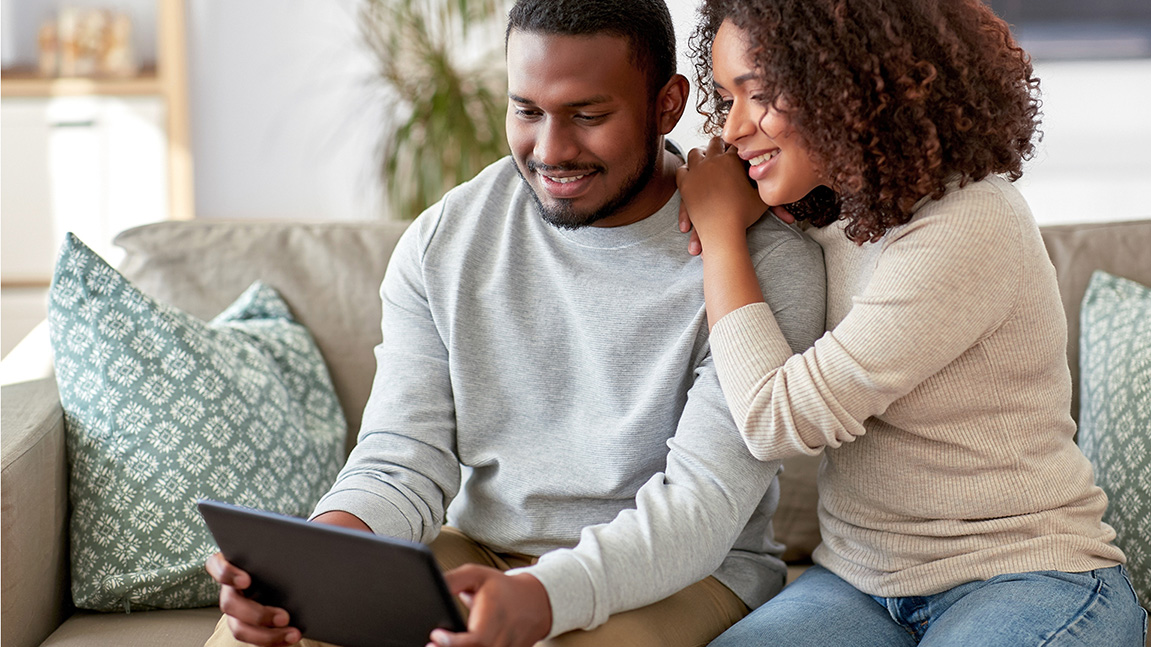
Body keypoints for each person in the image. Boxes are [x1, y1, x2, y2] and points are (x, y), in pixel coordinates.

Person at [203, 1, 826, 646]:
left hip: (684, 574)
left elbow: (699, 511)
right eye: (527, 111)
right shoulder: (444, 241)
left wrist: (544, 598)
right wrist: (321, 557)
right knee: (269, 630)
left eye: (589, 115)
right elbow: (401, 459)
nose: (550, 150)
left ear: (668, 103)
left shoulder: (761, 262)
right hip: (483, 551)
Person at [674, 0, 1148, 645]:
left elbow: (778, 420)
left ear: (846, 87)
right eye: (724, 96)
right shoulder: (827, 209)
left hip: (1027, 577)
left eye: (756, 96)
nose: (730, 130)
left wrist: (721, 233)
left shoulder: (968, 221)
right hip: (858, 583)